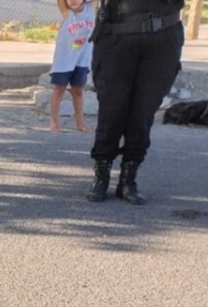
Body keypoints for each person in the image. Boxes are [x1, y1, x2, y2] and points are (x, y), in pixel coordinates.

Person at [84, 0, 185, 203]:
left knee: (143, 112)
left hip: (163, 36)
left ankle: (128, 178)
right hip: (117, 33)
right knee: (111, 110)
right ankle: (101, 174)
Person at [49, 0, 96, 133]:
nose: (73, 1)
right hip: (65, 59)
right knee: (59, 89)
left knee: (78, 90)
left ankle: (80, 123)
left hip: (82, 58)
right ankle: (54, 123)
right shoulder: (67, 13)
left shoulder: (90, 9)